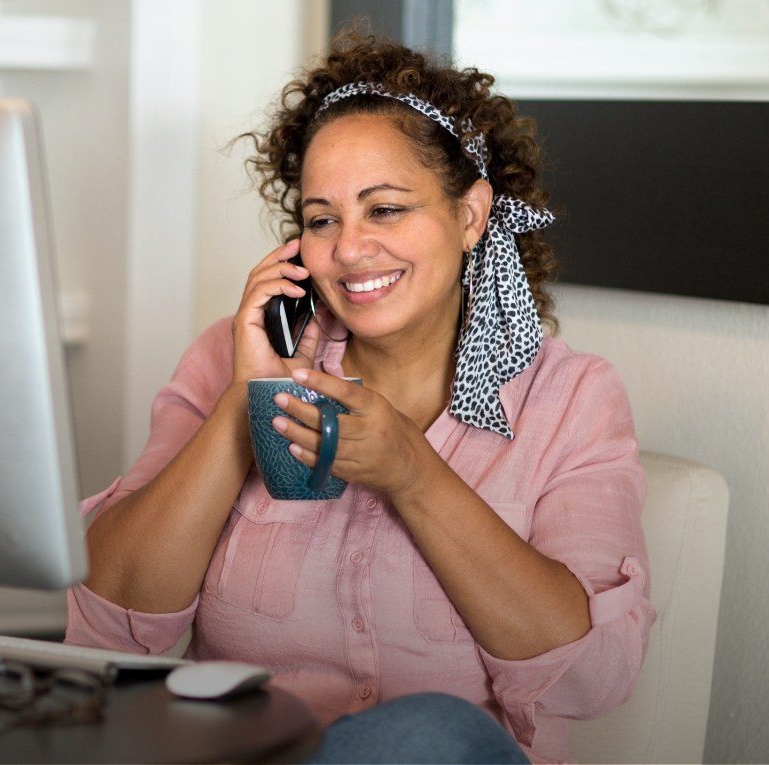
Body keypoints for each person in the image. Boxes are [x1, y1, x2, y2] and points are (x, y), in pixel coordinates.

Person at [66, 31, 655, 765]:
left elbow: (592, 679)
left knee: (428, 733)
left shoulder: (571, 400)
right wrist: (248, 402)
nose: (347, 249)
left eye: (384, 209)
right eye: (321, 219)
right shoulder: (230, 356)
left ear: (470, 215)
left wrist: (413, 470)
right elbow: (104, 624)